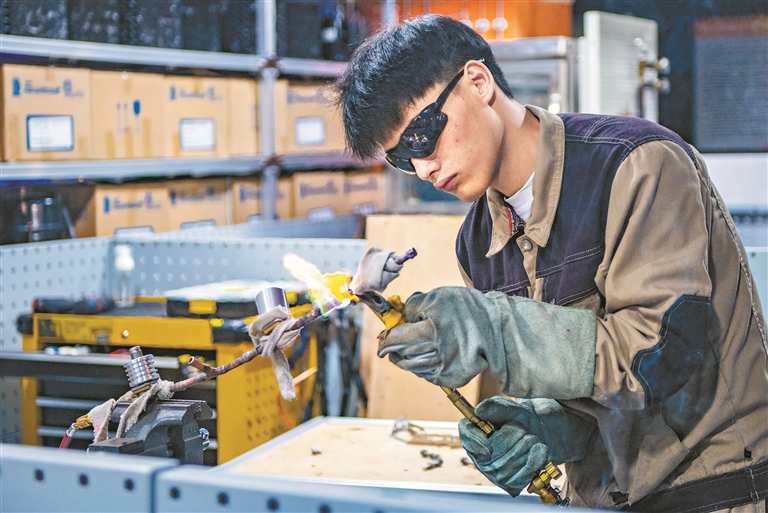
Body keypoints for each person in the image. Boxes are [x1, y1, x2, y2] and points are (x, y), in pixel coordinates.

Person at [331, 14, 768, 512]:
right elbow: (595, 391)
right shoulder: (478, 243)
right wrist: (545, 427)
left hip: (718, 493)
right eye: (401, 159)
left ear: (478, 82)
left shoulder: (636, 164)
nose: (423, 167)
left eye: (420, 136)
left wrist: (495, 329)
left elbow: (661, 356)